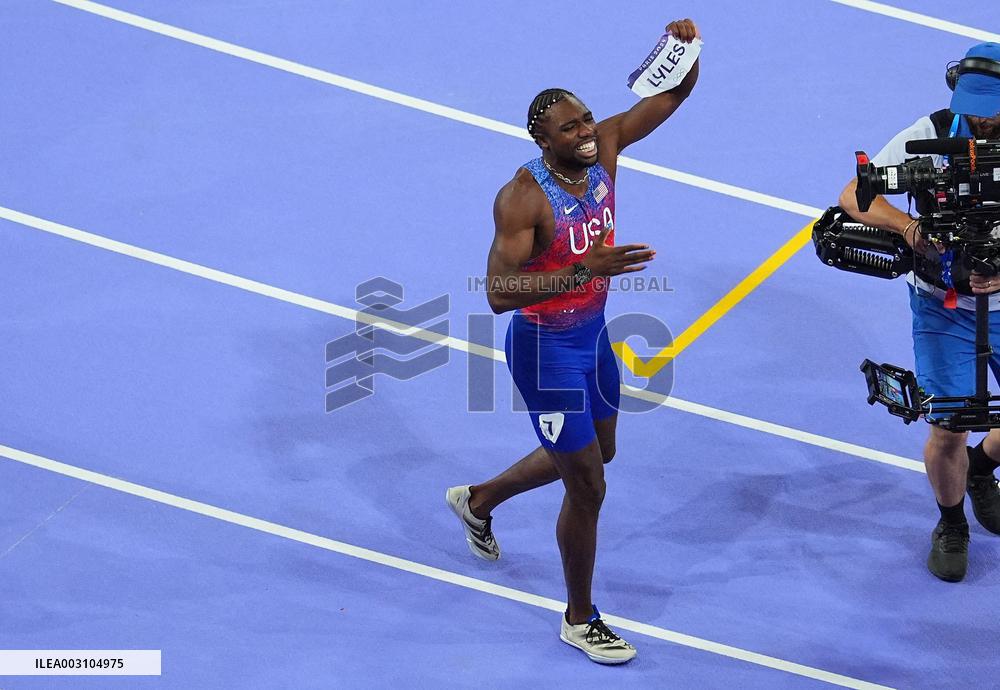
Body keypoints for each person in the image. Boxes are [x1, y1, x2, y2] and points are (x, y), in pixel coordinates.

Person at [446, 18, 700, 663]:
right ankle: (580, 617)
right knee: (587, 486)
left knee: (599, 453)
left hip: (592, 338)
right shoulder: (523, 199)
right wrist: (589, 268)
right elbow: (500, 294)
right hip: (544, 350)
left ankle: (479, 499)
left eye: (587, 118)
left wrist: (683, 51)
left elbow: (668, 98)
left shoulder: (606, 146)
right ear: (541, 140)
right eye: (570, 127)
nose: (587, 131)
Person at [838, 42, 1000, 583]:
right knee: (950, 424)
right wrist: (909, 228)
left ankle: (983, 469)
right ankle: (952, 523)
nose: (978, 117)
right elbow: (854, 195)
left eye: (990, 106)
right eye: (971, 103)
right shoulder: (930, 131)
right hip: (943, 304)